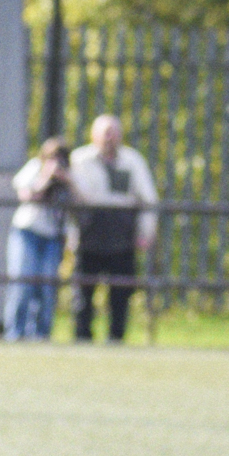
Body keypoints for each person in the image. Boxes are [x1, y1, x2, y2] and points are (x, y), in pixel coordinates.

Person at [68, 116, 157, 343]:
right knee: (83, 290)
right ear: (93, 134)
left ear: (120, 135)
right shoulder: (79, 160)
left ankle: (116, 338)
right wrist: (69, 236)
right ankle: (82, 337)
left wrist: (145, 233)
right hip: (89, 232)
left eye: (113, 132)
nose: (109, 138)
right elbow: (70, 202)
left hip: (122, 233)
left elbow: (148, 199)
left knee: (121, 291)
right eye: (105, 132)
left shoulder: (133, 161)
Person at [6, 136, 71, 342]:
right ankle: (15, 333)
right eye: (53, 158)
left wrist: (67, 180)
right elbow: (25, 195)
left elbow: (82, 199)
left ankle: (41, 334)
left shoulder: (70, 175)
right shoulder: (35, 167)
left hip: (53, 236)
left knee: (47, 287)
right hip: (28, 232)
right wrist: (45, 178)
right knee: (22, 283)